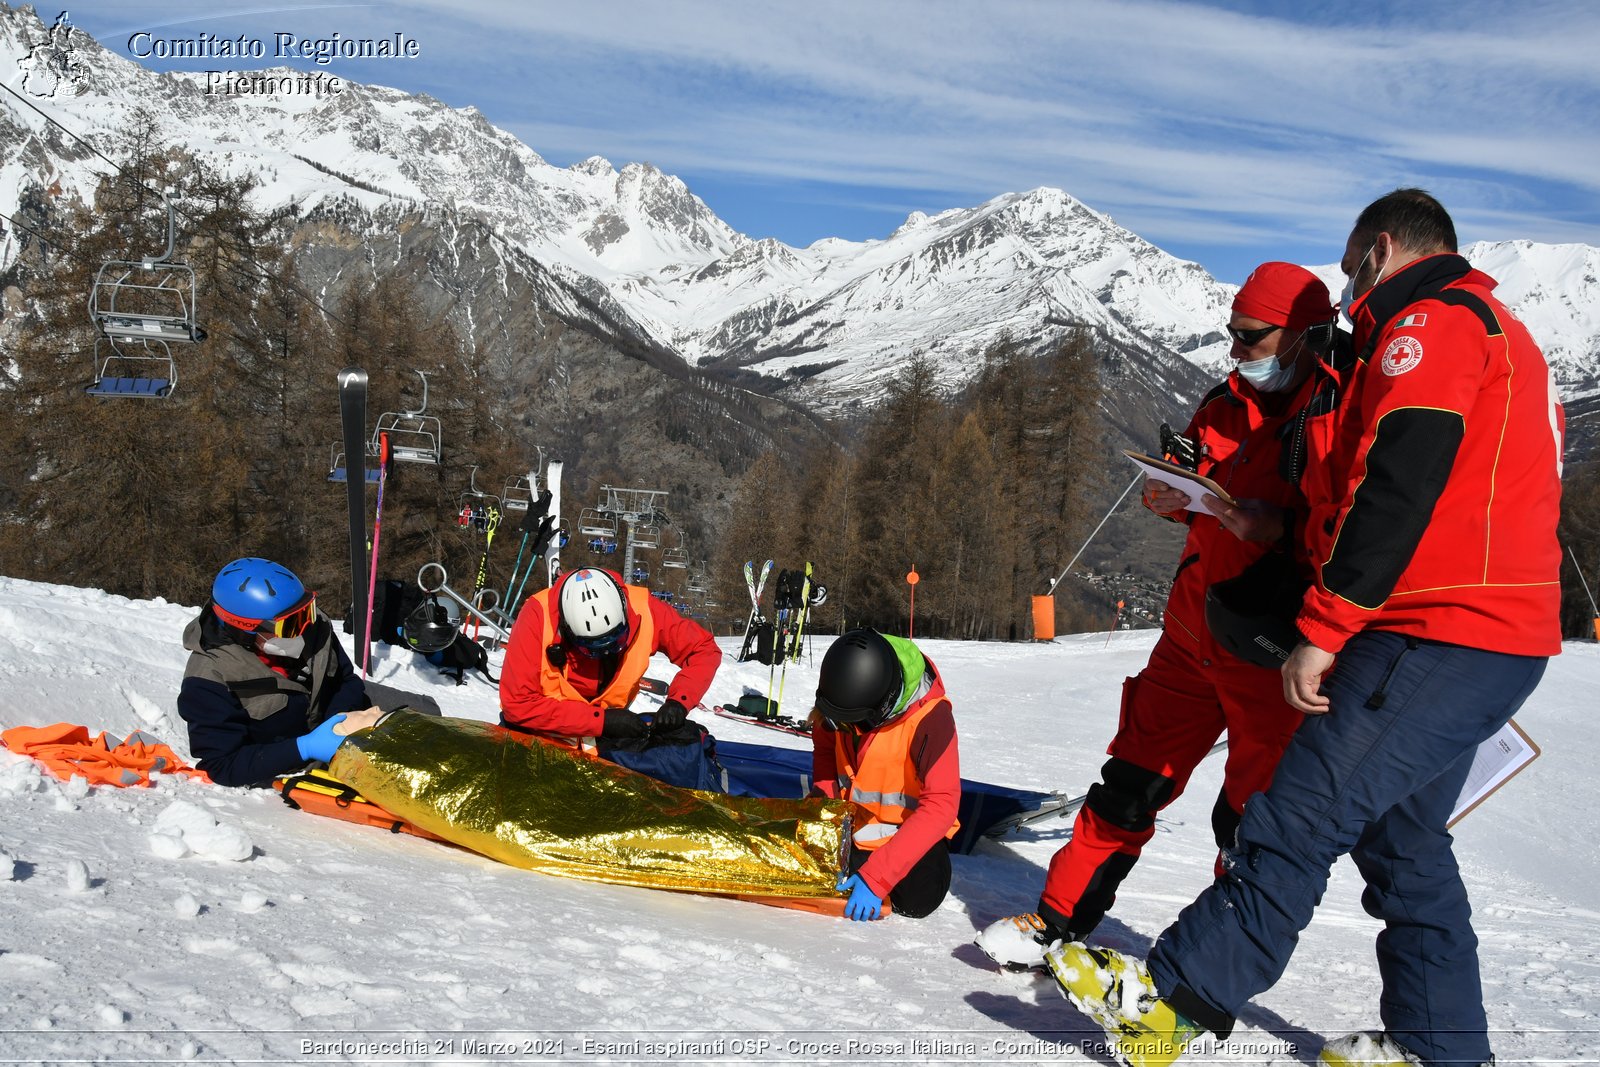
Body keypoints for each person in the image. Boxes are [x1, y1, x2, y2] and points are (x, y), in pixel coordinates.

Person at [1048, 189, 1564, 1067]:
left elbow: (1398, 484)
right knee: (1404, 844)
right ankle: (1440, 1048)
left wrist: (1323, 626)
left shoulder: (1432, 324)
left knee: (1295, 815)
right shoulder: (1500, 329)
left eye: (1353, 261)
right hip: (1493, 635)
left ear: (1383, 248)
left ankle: (1170, 1003)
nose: (1349, 284)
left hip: (1435, 632)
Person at [976, 262, 1337, 969]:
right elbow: (1193, 478)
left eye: (1251, 337)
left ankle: (1209, 967)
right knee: (1129, 784)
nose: (1236, 349)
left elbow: (1358, 526)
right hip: (1191, 633)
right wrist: (1167, 491)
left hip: (1273, 649)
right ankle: (1056, 920)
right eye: (1231, 333)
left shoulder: (1335, 413)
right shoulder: (1224, 402)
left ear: (1299, 336)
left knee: (1247, 820)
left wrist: (1279, 528)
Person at [178, 557, 381, 787]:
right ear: (247, 631)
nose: (304, 627)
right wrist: (305, 748)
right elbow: (223, 765)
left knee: (424, 717)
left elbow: (345, 680)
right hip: (291, 765)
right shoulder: (209, 679)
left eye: (307, 611)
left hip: (348, 729)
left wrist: (336, 724)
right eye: (291, 624)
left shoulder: (314, 625)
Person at [811, 628, 961, 921]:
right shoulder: (841, 691)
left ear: (883, 706)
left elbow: (941, 805)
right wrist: (824, 813)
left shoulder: (931, 719)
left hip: (907, 839)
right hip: (852, 831)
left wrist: (876, 878)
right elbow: (825, 751)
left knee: (919, 898)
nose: (846, 729)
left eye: (855, 723)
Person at [499, 566, 719, 743]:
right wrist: (600, 721)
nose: (606, 652)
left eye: (616, 642)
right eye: (591, 650)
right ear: (566, 630)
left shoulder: (646, 609)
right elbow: (517, 704)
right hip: (542, 736)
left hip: (609, 740)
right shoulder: (537, 616)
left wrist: (678, 702)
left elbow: (703, 649)